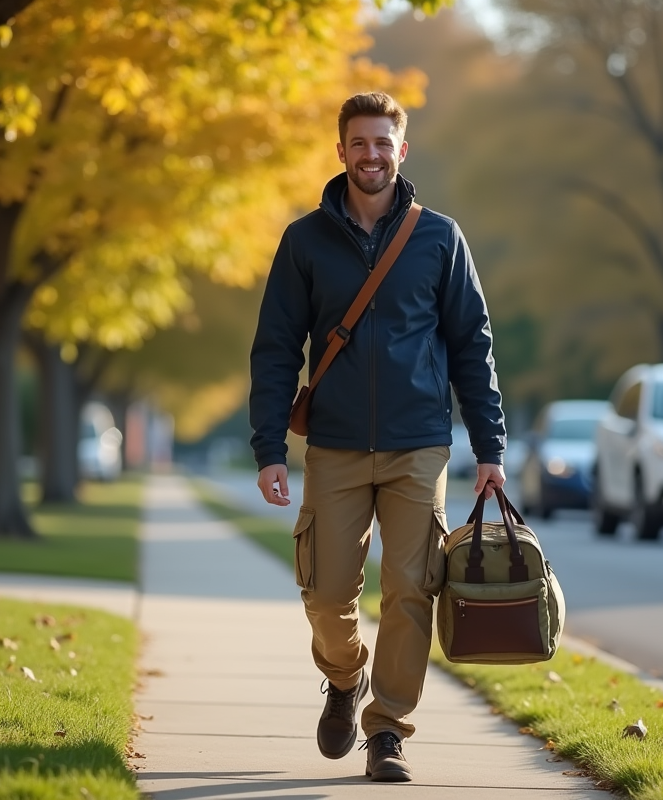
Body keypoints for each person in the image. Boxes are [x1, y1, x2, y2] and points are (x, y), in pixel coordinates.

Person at [248, 91, 506, 783]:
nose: (371, 155)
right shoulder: (304, 240)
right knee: (325, 594)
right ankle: (344, 675)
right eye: (359, 143)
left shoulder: (440, 238)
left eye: (382, 143)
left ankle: (388, 728)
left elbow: (472, 345)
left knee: (411, 590)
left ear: (402, 150)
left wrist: (490, 448)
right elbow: (276, 348)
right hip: (333, 445)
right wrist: (269, 448)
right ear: (341, 151)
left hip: (419, 444)